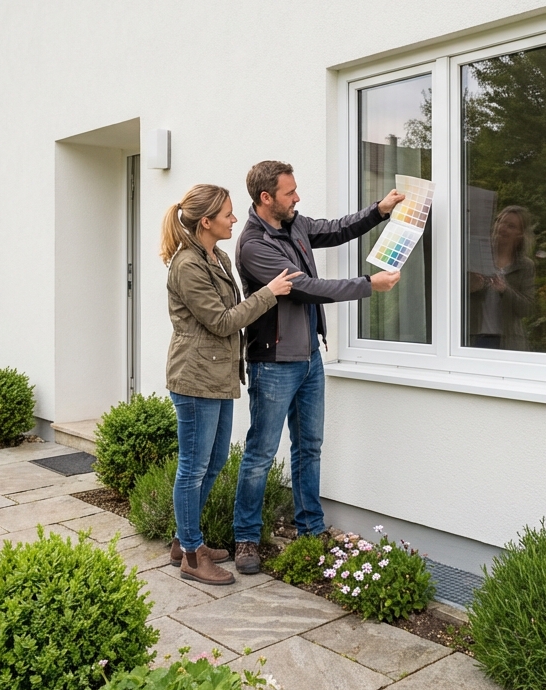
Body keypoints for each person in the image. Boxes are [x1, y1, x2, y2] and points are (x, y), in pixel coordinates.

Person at [232, 160, 403, 574]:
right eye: (290, 193)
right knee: (261, 453)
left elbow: (334, 228)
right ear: (266, 198)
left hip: (309, 358)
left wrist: (379, 210)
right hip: (273, 363)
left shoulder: (295, 224)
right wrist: (368, 284)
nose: (298, 198)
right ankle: (246, 538)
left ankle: (310, 529)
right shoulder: (255, 245)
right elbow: (305, 288)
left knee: (309, 447)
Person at [161, 183, 301, 586]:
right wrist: (269, 293)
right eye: (227, 215)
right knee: (192, 468)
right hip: (194, 379)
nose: (235, 220)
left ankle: (182, 541)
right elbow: (221, 321)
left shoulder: (216, 255)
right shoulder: (187, 265)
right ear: (206, 221)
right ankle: (191, 554)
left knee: (214, 463)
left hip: (218, 375)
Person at [467, 205, 536, 351]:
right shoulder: (476, 256)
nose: (502, 227)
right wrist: (470, 286)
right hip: (473, 339)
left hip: (509, 342)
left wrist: (505, 290)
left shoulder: (525, 266)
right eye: (499, 221)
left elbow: (527, 310)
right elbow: (451, 297)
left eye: (510, 226)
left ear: (520, 234)